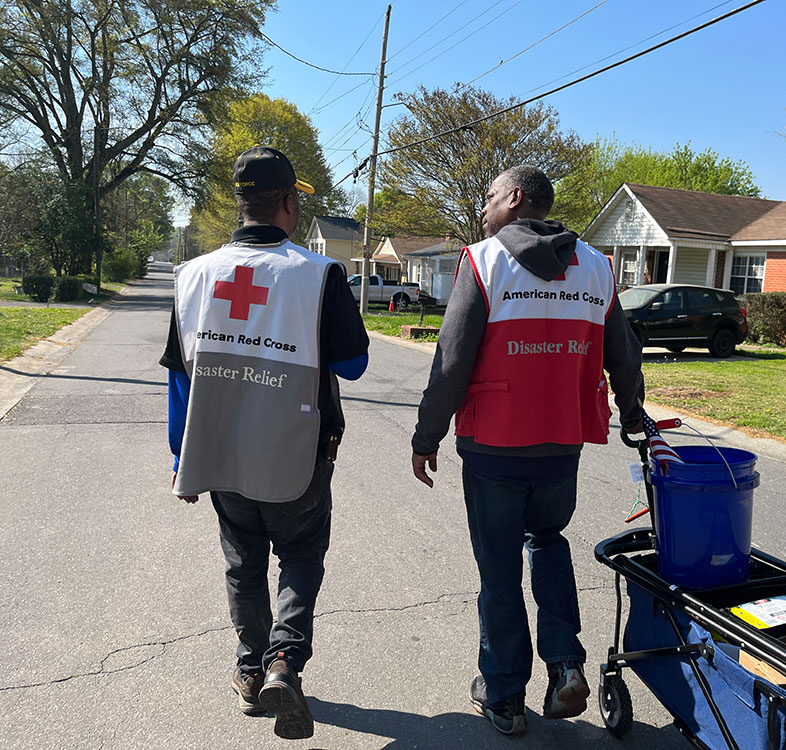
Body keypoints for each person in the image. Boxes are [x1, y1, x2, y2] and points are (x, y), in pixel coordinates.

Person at [410, 165, 644, 735]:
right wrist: (635, 414)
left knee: (498, 571)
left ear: (515, 200)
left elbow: (451, 362)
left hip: (493, 445)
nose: (484, 209)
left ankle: (505, 697)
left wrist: (426, 435)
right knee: (548, 540)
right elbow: (625, 354)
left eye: (489, 197)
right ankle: (565, 665)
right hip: (562, 443)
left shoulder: (483, 261)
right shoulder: (595, 267)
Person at [159, 146, 369, 740]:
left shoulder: (193, 275)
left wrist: (182, 458)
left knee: (242, 564)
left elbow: (180, 378)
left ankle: (250, 672)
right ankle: (284, 661)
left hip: (219, 454)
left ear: (241, 200)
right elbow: (352, 365)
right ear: (289, 201)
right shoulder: (318, 274)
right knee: (301, 554)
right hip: (296, 454)